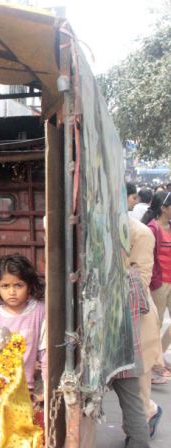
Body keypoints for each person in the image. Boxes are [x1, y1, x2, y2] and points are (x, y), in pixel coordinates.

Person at [0, 254, 46, 393]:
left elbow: (45, 354)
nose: (12, 292)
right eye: (5, 286)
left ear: (29, 286)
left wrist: (47, 390)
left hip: (24, 387)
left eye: (18, 285)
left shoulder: (40, 312)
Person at [128, 216, 165, 437]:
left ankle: (148, 415)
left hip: (137, 314)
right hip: (117, 314)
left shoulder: (141, 233)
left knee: (139, 377)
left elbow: (140, 282)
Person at [113, 267, 154, 447]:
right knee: (133, 406)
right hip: (129, 353)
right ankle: (139, 443)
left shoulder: (93, 275)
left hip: (100, 355)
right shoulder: (132, 276)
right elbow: (144, 307)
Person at [141, 191, 171, 378]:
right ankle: (153, 362)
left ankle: (158, 354)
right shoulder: (152, 229)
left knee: (158, 323)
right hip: (159, 283)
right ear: (164, 208)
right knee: (155, 323)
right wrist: (154, 282)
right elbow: (148, 258)